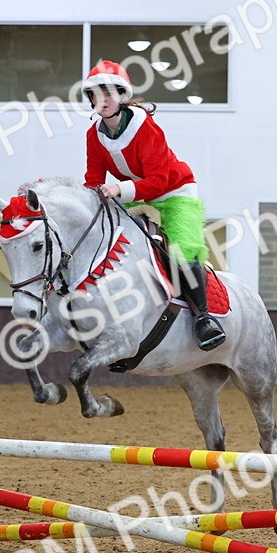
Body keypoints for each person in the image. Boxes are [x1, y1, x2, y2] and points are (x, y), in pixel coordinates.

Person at [81, 60, 226, 351]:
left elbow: (159, 181)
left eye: (110, 93)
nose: (103, 100)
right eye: (97, 94)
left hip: (174, 191)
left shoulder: (145, 127)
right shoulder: (93, 135)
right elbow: (93, 181)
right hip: (136, 195)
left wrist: (118, 189)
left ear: (122, 97)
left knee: (182, 250)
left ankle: (204, 318)